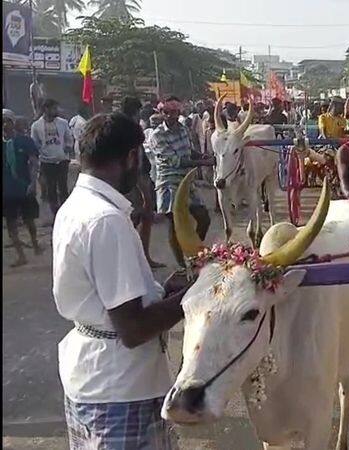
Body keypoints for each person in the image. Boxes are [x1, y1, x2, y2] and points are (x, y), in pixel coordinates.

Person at [53, 112, 190, 449]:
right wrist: (194, 296)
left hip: (98, 380)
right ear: (131, 157)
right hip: (120, 389)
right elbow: (133, 329)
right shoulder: (106, 221)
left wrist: (162, 292)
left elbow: (112, 298)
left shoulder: (78, 206)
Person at [150, 96, 214, 267]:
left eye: (174, 112)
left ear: (179, 112)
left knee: (204, 218)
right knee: (174, 223)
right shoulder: (158, 135)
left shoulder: (183, 129)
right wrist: (203, 163)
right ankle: (181, 265)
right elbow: (176, 161)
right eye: (167, 112)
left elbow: (188, 151)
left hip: (186, 180)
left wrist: (203, 156)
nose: (171, 115)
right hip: (169, 181)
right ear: (162, 113)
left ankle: (193, 252)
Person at [121, 96, 163, 268]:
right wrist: (143, 189)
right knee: (136, 217)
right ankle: (135, 259)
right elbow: (134, 160)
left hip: (137, 177)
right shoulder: (129, 131)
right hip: (134, 179)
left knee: (144, 217)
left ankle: (143, 257)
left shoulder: (128, 129)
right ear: (135, 111)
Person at [3, 110, 42, 267]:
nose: (5, 124)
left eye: (8, 121)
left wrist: (33, 183)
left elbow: (33, 162)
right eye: (3, 121)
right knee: (11, 224)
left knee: (29, 221)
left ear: (14, 123)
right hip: (7, 191)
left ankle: (35, 243)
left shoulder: (25, 141)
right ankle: (21, 255)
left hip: (24, 187)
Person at [30, 98, 73, 221]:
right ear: (46, 109)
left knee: (63, 188)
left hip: (62, 160)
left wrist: (67, 148)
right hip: (47, 161)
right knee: (51, 190)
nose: (56, 111)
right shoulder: (36, 126)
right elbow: (35, 142)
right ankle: (56, 215)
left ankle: (67, 214)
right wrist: (41, 152)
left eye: (56, 108)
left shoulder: (63, 123)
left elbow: (69, 137)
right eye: (53, 108)